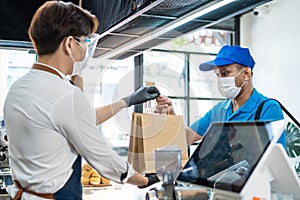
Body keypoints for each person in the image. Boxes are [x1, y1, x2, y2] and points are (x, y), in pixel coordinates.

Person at [3, 1, 160, 199]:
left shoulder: (19, 88)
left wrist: (126, 101)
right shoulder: (64, 94)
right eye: (85, 42)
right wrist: (145, 180)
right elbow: (101, 156)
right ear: (69, 44)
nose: (86, 50)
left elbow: (75, 121)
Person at [156, 45, 286, 147]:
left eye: (225, 73)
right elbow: (185, 138)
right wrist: (169, 115)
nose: (220, 79)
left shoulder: (268, 109)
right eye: (217, 74)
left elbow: (275, 161)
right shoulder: (219, 110)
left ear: (246, 73)